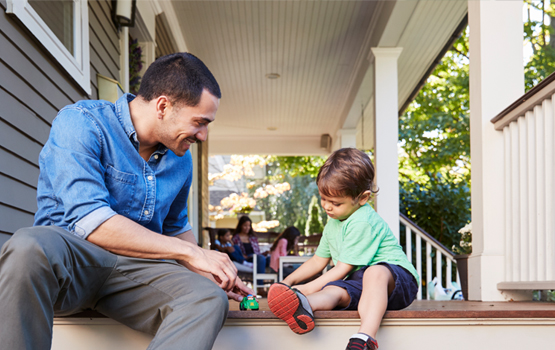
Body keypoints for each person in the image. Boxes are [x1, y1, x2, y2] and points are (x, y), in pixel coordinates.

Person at [0, 53, 253, 350]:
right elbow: (91, 221)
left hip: (135, 275)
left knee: (208, 297)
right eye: (200, 122)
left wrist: (209, 270)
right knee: (28, 247)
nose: (204, 135)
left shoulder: (180, 161)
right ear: (163, 106)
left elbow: (175, 227)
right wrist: (191, 253)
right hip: (71, 266)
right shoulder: (82, 123)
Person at [267, 148, 419, 350]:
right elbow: (317, 261)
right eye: (323, 199)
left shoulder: (362, 220)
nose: (327, 207)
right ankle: (302, 305)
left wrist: (303, 287)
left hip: (397, 281)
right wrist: (287, 283)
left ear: (362, 198)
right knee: (334, 290)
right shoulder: (334, 222)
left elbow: (341, 269)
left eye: (335, 203)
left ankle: (366, 338)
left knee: (373, 273)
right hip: (361, 284)